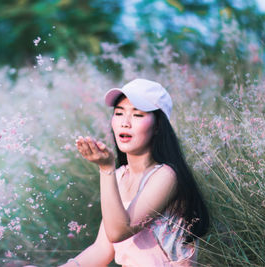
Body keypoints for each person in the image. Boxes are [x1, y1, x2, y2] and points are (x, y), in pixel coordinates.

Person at [61, 78, 209, 267]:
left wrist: (106, 168)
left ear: (157, 126)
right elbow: (102, 250)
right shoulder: (120, 176)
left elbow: (119, 231)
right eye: (119, 113)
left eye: (137, 115)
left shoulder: (167, 176)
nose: (125, 122)